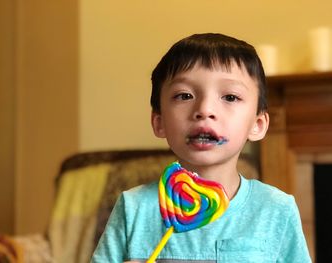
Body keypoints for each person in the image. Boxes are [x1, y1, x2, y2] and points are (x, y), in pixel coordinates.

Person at [91, 33, 311, 262]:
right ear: (159, 122)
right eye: (184, 95)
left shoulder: (276, 209)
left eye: (230, 97)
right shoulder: (133, 207)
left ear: (257, 125)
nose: (205, 109)